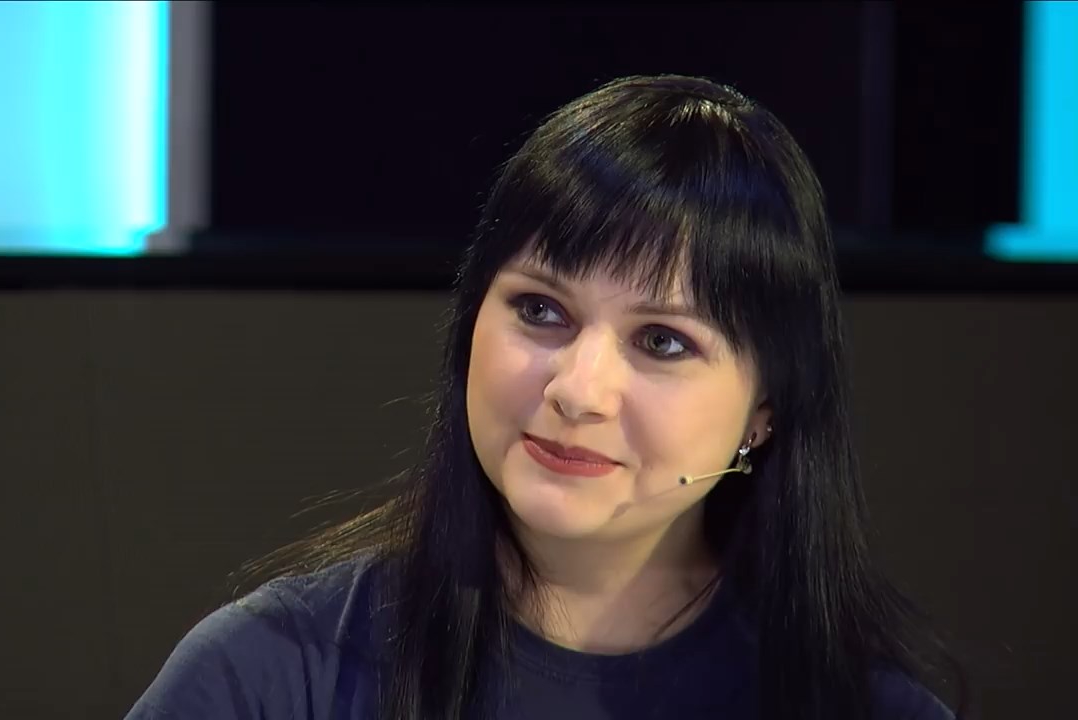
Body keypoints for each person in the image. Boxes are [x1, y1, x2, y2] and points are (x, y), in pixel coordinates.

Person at [125, 74, 966, 719]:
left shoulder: (869, 709)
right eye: (539, 311)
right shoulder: (268, 676)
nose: (577, 390)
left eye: (662, 342)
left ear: (764, 412)